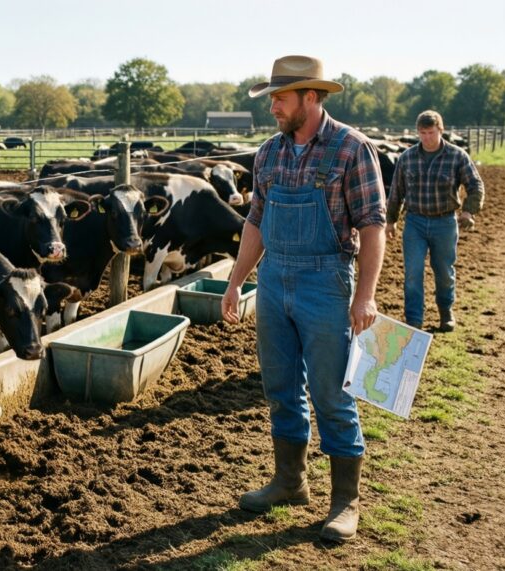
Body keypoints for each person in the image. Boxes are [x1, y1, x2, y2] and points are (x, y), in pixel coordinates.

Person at [220, 55, 386, 542]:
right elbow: (255, 222)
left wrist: (366, 297)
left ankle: (345, 502)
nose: (273, 106)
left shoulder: (351, 148)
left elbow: (374, 227)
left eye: (280, 97)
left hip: (325, 281)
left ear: (311, 97)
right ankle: (290, 481)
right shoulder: (269, 153)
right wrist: (236, 282)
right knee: (280, 387)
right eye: (271, 97)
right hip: (273, 281)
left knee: (332, 394)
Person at [386, 110, 484, 332]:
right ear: (417, 132)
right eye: (422, 133)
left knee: (444, 271)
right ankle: (414, 319)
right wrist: (391, 220)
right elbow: (396, 192)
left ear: (441, 130)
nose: (427, 138)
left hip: (445, 222)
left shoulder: (457, 156)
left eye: (431, 132)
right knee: (412, 272)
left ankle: (445, 311)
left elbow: (475, 185)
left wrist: (469, 211)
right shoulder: (407, 158)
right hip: (415, 222)